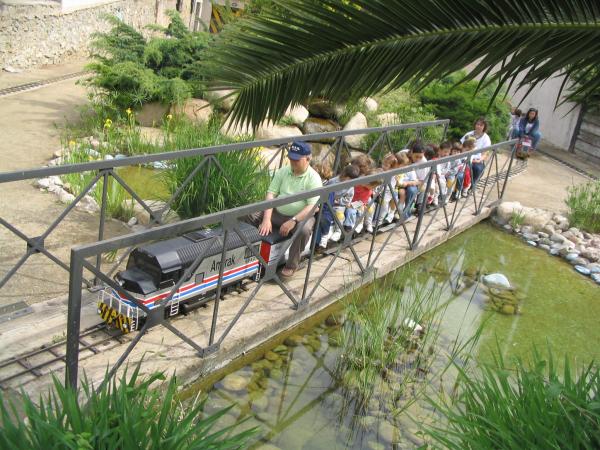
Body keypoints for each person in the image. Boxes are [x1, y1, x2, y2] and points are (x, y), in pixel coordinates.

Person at [248, 141, 322, 278]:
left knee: (304, 229)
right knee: (247, 213)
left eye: (297, 159)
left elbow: (312, 207)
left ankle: (292, 264)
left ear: (308, 158)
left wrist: (293, 221)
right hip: (277, 212)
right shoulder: (283, 171)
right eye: (291, 158)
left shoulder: (314, 178)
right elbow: (271, 194)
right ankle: (248, 255)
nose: (293, 162)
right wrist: (266, 219)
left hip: (299, 217)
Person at [461, 118, 490, 186]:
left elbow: (485, 153)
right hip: (465, 157)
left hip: (477, 159)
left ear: (484, 127)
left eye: (481, 125)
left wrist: (479, 160)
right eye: (477, 124)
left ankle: (472, 185)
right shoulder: (469, 134)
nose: (479, 126)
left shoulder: (486, 138)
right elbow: (461, 145)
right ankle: (461, 186)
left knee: (477, 168)